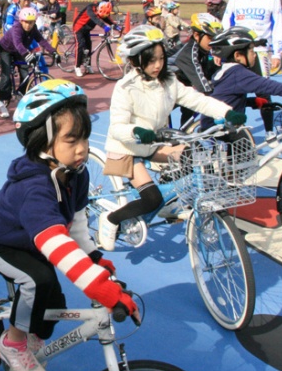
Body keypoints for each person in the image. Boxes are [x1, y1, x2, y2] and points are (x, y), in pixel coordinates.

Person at [0, 79, 140, 371]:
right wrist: (100, 287)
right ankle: (12, 343)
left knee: (54, 305)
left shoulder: (77, 173)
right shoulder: (33, 187)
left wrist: (95, 260)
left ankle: (27, 333)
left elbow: (75, 223)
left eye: (85, 139)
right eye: (72, 140)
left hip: (33, 241)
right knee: (38, 281)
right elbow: (55, 242)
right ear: (42, 142)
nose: (83, 149)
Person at [98, 25, 246, 251]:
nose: (157, 65)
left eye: (160, 59)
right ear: (137, 61)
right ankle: (112, 219)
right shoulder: (125, 87)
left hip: (154, 143)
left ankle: (171, 202)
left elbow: (197, 100)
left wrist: (225, 112)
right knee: (151, 199)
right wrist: (137, 132)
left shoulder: (168, 81)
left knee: (191, 154)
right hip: (128, 148)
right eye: (150, 60)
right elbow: (117, 126)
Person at [203, 25, 282, 133]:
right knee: (245, 148)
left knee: (246, 148)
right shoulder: (238, 73)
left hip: (216, 124)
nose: (254, 55)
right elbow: (267, 85)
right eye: (251, 51)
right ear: (238, 55)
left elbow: (226, 98)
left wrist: (251, 102)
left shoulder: (228, 70)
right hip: (219, 129)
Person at [222, 0, 282, 136]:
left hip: (260, 51)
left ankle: (270, 130)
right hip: (238, 52)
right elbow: (226, 24)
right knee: (236, 90)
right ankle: (237, 127)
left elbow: (278, 26)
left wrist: (277, 54)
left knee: (263, 91)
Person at [0, 7, 58, 118]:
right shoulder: (16, 29)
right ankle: (1, 101)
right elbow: (18, 44)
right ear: (21, 21)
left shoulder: (34, 29)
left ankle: (21, 94)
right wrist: (26, 55)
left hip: (20, 50)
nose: (29, 25)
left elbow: (42, 41)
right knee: (6, 75)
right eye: (26, 22)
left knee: (25, 73)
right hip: (7, 49)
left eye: (31, 22)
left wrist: (54, 52)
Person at [172, 13, 224, 126]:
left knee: (190, 109)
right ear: (196, 35)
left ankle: (186, 136)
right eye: (210, 37)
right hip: (165, 90)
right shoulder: (189, 52)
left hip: (183, 87)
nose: (213, 42)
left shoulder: (203, 49)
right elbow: (203, 86)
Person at [73, 1, 115, 77]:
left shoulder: (101, 10)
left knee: (88, 46)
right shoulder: (90, 8)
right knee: (80, 45)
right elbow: (94, 18)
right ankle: (77, 66)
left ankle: (87, 65)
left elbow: (106, 18)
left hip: (87, 30)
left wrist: (115, 26)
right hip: (79, 28)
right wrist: (103, 26)